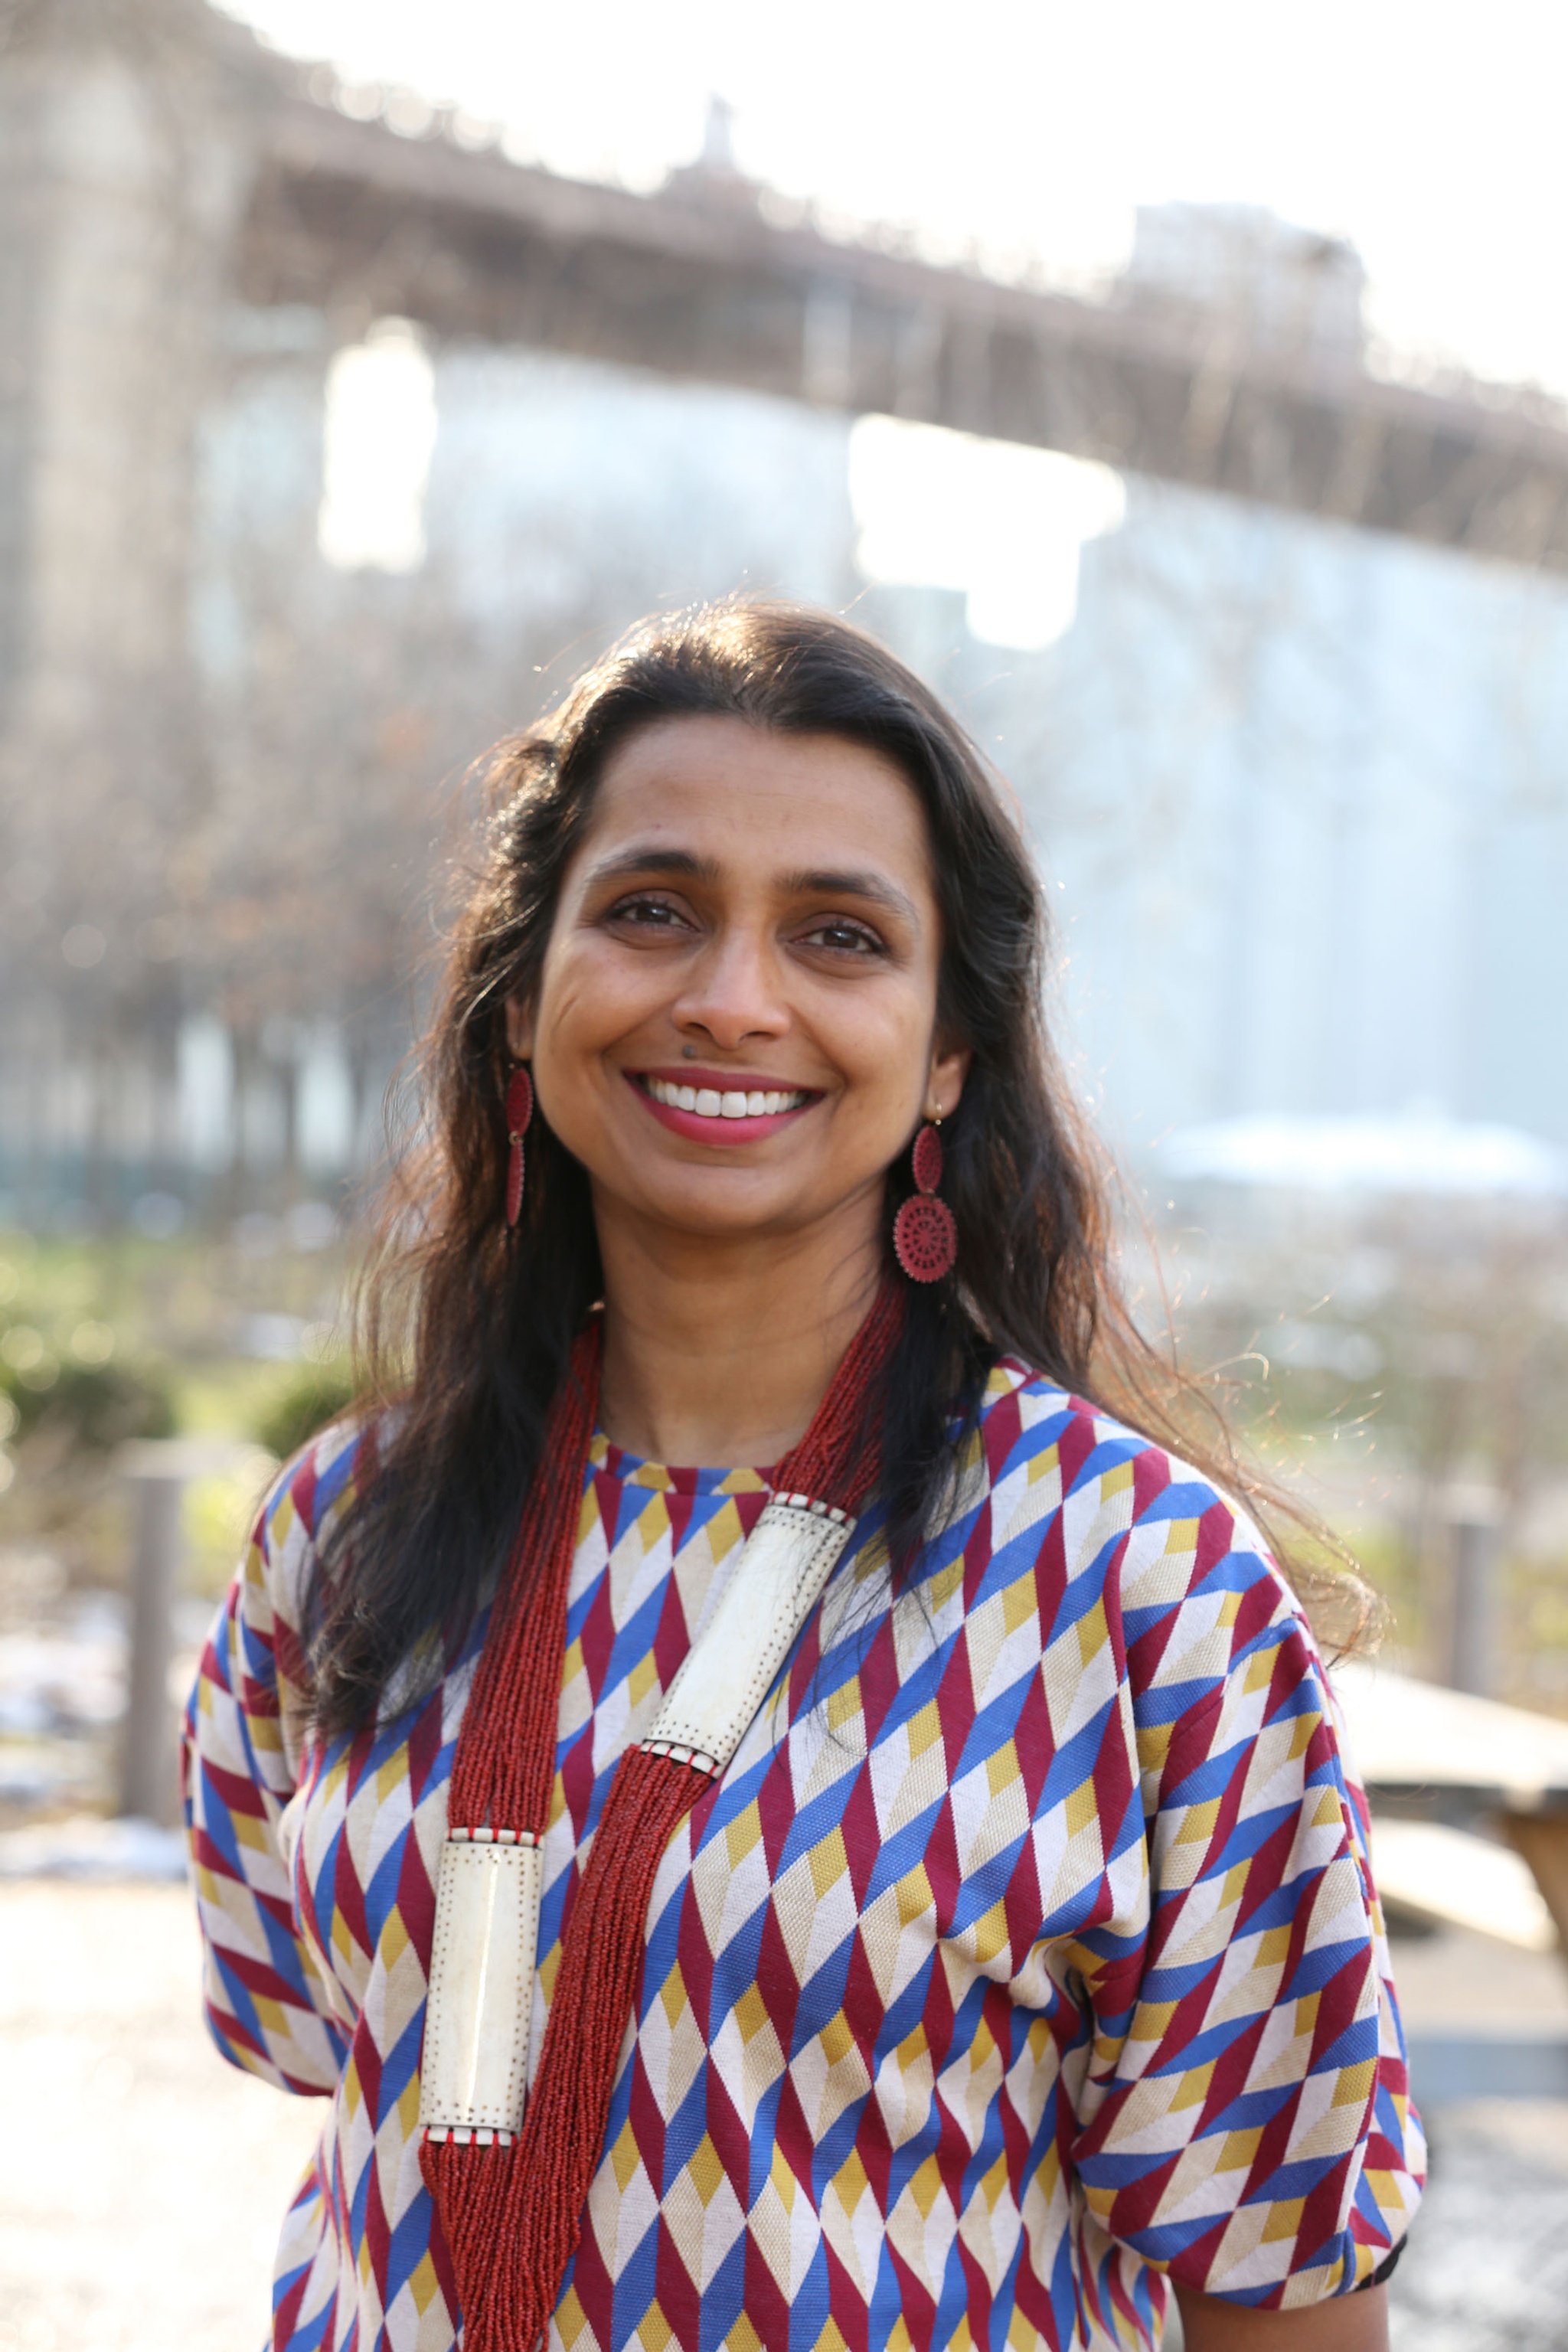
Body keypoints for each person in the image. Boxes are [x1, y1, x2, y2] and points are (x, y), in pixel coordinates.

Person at [184, 601, 1422, 2352]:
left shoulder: (1138, 1586)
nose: (731, 998)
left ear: (946, 1054)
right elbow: (323, 2050)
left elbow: (1281, 2287)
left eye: (837, 936)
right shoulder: (343, 1526)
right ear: (524, 995)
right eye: (651, 912)